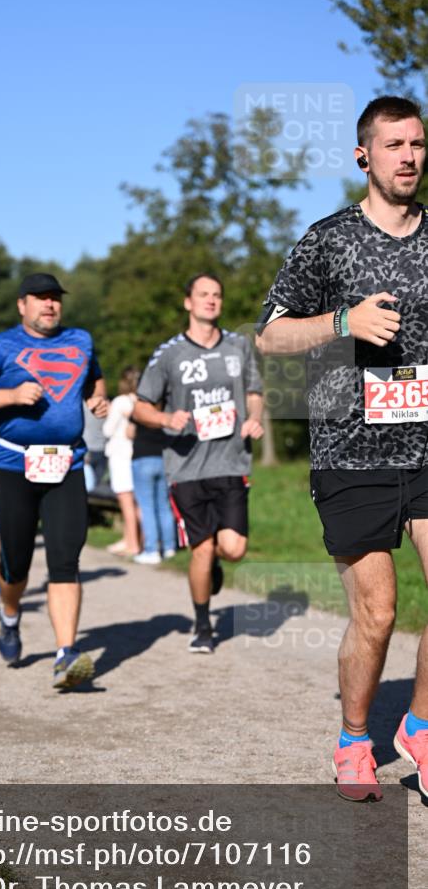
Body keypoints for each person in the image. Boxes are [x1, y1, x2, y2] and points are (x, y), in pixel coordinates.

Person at [255, 95, 427, 802]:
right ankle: (355, 737)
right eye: (393, 145)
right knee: (377, 613)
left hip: (426, 445)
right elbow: (270, 335)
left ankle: (419, 726)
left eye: (417, 144)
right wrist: (340, 322)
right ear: (363, 156)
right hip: (351, 452)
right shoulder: (328, 240)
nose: (408, 157)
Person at [0, 272, 108, 688]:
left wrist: (97, 398)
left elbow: (94, 376)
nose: (49, 304)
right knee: (16, 562)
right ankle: (9, 614)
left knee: (65, 559)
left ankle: (65, 655)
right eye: (40, 298)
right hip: (13, 465)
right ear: (22, 305)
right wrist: (10, 396)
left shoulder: (80, 340)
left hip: (67, 464)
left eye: (55, 297)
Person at [135, 273, 264, 654]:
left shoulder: (239, 346)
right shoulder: (169, 354)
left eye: (217, 295)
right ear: (188, 302)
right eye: (203, 294)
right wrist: (165, 418)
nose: (211, 300)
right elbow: (141, 407)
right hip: (186, 465)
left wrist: (254, 417)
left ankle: (213, 570)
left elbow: (254, 392)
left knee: (233, 548)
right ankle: (203, 624)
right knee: (202, 549)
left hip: (231, 461)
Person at [102, 367, 141, 557]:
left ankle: (132, 543)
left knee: (125, 500)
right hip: (137, 454)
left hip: (120, 454)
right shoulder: (142, 401)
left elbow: (107, 430)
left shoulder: (120, 402)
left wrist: (110, 413)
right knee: (137, 502)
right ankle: (133, 539)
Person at [132, 419, 177, 564]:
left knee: (147, 507)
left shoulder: (139, 412)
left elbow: (129, 432)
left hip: (142, 458)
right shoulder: (165, 411)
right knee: (164, 506)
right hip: (162, 458)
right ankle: (169, 548)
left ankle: (151, 550)